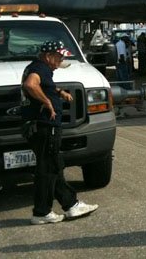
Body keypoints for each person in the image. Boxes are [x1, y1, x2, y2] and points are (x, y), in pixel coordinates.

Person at [21, 40, 98, 225]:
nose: (60, 62)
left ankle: (71, 204)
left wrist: (59, 91)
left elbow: (43, 84)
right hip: (46, 126)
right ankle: (42, 212)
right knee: (48, 169)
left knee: (53, 166)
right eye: (59, 57)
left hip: (40, 126)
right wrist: (47, 102)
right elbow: (31, 85)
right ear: (48, 56)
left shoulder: (38, 67)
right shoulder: (40, 68)